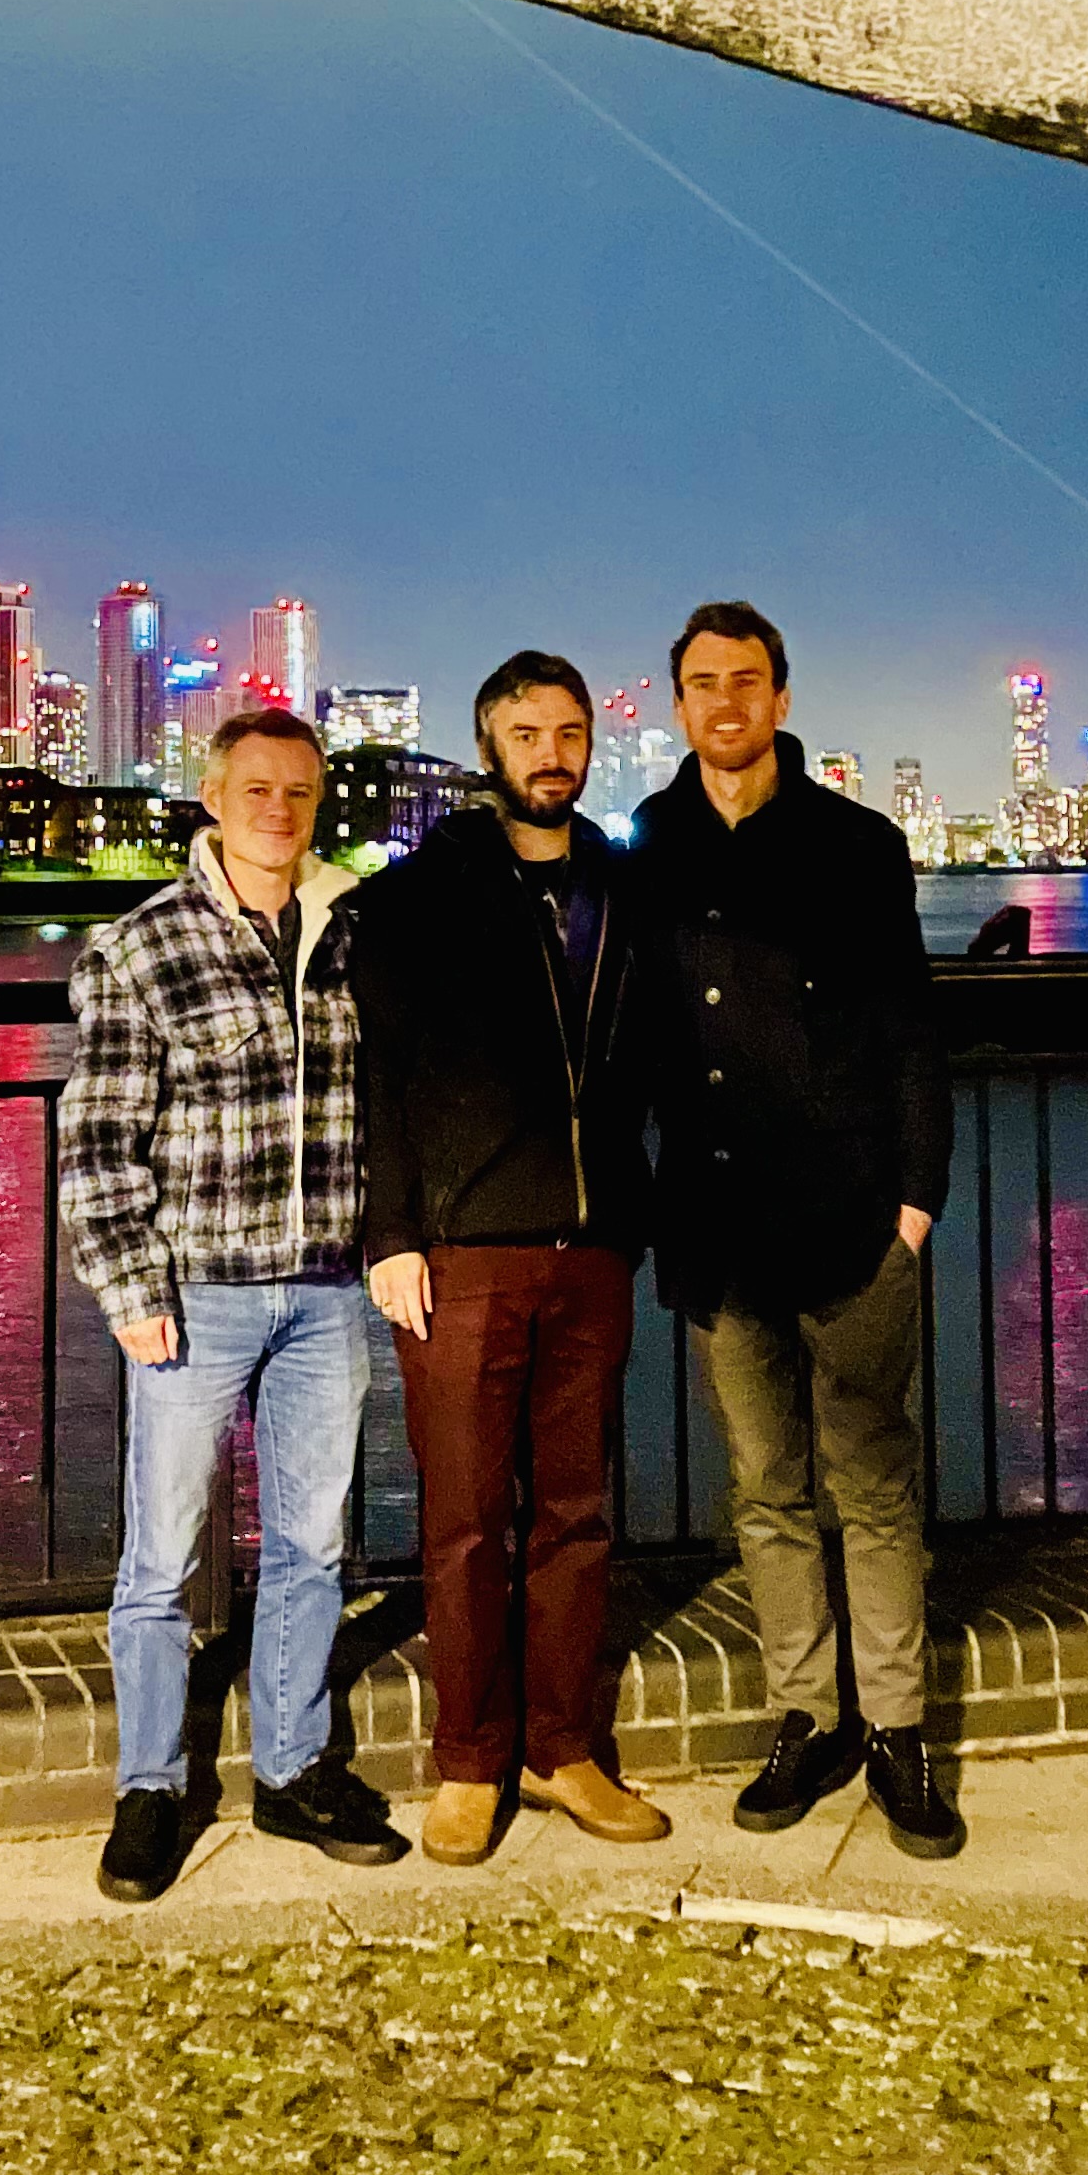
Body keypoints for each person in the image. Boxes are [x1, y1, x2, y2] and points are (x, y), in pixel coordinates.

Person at [60, 707, 408, 1900]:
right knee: (162, 1557)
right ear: (212, 798)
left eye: (300, 792)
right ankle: (150, 1787)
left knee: (314, 1546)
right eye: (255, 788)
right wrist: (126, 1286)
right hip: (196, 1294)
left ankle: (293, 1769)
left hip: (325, 1290)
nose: (278, 808)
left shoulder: (352, 931)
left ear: (319, 805)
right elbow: (99, 1139)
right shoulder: (141, 948)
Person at [635, 600, 964, 1857]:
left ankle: (899, 1732)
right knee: (766, 1489)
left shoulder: (857, 844)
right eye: (704, 683)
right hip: (718, 1226)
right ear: (678, 705)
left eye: (748, 680)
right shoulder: (650, 842)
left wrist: (915, 1204)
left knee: (875, 1486)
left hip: (851, 1220)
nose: (726, 702)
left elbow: (911, 1035)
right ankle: (804, 1713)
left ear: (782, 696)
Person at [354, 652, 671, 1866]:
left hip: (592, 1246)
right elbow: (376, 1077)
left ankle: (566, 1749)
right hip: (464, 1251)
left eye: (571, 730)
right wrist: (391, 1235)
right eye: (527, 730)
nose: (553, 750)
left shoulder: (619, 884)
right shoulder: (426, 892)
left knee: (578, 1516)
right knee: (467, 1519)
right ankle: (469, 1762)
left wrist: (641, 1216)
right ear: (489, 747)